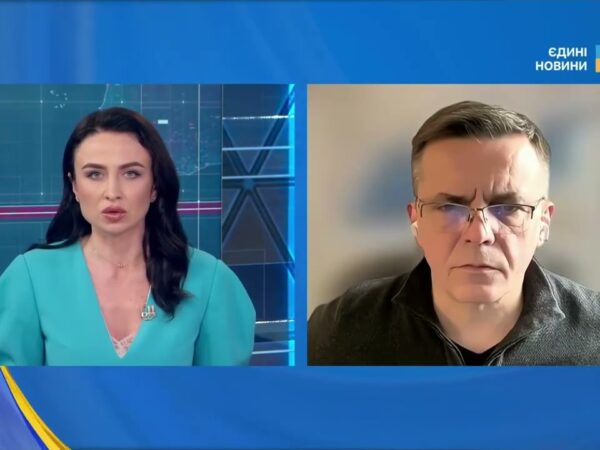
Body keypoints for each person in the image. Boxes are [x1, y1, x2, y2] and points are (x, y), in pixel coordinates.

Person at [309, 100, 600, 366]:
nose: (479, 233)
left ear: (544, 223)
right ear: (416, 220)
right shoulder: (340, 328)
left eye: (509, 208)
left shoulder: (594, 334)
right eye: (449, 207)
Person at [0, 107, 256, 365]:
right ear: (74, 185)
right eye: (94, 174)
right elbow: (10, 389)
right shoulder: (29, 277)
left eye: (131, 173)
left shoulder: (210, 280)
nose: (113, 192)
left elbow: (225, 389)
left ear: (155, 186)